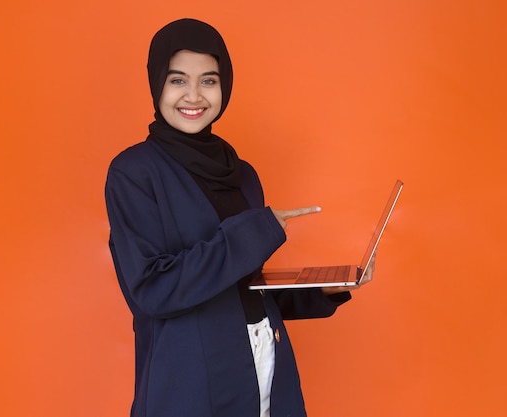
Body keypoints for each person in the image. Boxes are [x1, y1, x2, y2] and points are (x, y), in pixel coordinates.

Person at [105, 18, 372, 417]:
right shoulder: (134, 173)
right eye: (178, 80)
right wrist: (254, 232)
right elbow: (153, 290)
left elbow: (241, 288)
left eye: (208, 81)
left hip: (265, 367)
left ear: (224, 85)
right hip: (190, 383)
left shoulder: (242, 174)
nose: (194, 95)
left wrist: (322, 291)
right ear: (156, 83)